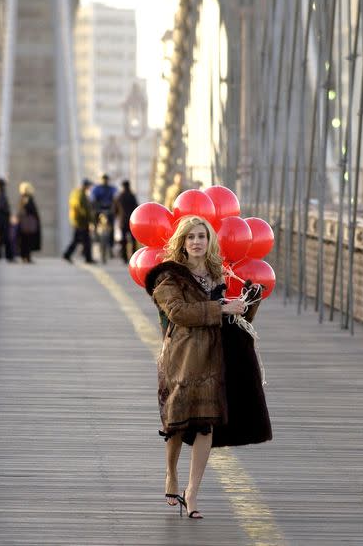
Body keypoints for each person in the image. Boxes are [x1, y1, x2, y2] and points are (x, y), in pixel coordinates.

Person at [145, 215, 272, 519]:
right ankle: (171, 475)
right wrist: (221, 307)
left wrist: (246, 302)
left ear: (210, 240)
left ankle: (193, 492)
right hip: (184, 356)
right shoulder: (170, 277)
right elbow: (179, 312)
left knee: (206, 423)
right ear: (183, 242)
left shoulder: (219, 273)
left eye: (202, 236)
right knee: (177, 422)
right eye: (191, 237)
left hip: (215, 358)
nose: (197, 242)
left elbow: (229, 319)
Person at [62, 179, 96, 264]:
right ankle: (86, 258)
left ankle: (68, 254)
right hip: (82, 222)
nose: (89, 188)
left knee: (80, 240)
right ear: (86, 185)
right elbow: (84, 209)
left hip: (77, 220)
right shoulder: (81, 195)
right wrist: (91, 220)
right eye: (89, 186)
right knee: (85, 240)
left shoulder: (76, 193)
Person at [91, 174, 117, 254]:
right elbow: (93, 199)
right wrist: (95, 208)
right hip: (99, 210)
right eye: (104, 179)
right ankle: (95, 232)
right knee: (95, 220)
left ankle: (111, 245)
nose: (105, 181)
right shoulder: (97, 188)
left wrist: (113, 208)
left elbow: (115, 199)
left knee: (111, 227)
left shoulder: (112, 189)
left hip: (109, 210)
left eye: (106, 180)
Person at [113, 180, 138, 263]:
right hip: (132, 221)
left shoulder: (119, 197)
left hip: (122, 221)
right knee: (133, 240)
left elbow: (115, 210)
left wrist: (116, 217)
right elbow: (137, 208)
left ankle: (124, 258)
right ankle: (133, 257)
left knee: (124, 239)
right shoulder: (132, 196)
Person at [16, 182, 42, 263]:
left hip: (24, 224)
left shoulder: (23, 198)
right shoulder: (27, 199)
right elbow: (30, 210)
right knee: (27, 241)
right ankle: (26, 256)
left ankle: (25, 256)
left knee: (25, 241)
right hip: (28, 224)